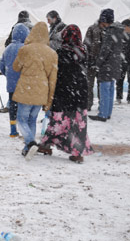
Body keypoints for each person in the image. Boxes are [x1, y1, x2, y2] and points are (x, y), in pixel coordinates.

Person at [38, 25, 94, 164]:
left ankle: (46, 145)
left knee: (58, 119)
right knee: (77, 122)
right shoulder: (83, 51)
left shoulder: (60, 52)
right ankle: (77, 153)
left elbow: (55, 71)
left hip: (64, 90)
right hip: (80, 90)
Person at [12, 22, 58, 159]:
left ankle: (30, 142)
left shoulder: (25, 50)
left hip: (26, 89)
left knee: (21, 119)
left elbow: (16, 67)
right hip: (42, 91)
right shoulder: (52, 53)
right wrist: (49, 99)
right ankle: (28, 148)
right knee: (32, 119)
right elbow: (52, 79)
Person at [89, 9, 124, 122]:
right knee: (110, 89)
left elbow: (105, 50)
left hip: (107, 66)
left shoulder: (110, 31)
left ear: (105, 20)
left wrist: (97, 64)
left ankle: (103, 114)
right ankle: (107, 113)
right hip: (115, 65)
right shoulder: (119, 31)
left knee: (104, 90)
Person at [0, 23, 30, 138]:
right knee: (23, 107)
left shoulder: (7, 49)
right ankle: (24, 129)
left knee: (12, 106)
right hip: (24, 84)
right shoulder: (26, 49)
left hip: (11, 84)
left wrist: (8, 75)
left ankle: (13, 130)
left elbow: (2, 67)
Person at [84, 19, 104, 110]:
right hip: (91, 61)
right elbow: (86, 44)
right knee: (89, 85)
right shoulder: (92, 29)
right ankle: (88, 104)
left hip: (101, 62)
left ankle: (102, 104)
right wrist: (88, 58)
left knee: (100, 85)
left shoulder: (106, 30)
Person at [116, 19, 130, 104]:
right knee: (120, 79)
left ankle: (127, 98)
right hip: (122, 60)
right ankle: (119, 97)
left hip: (124, 59)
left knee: (123, 79)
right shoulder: (120, 35)